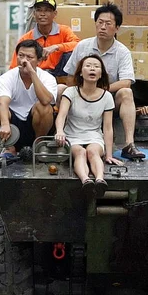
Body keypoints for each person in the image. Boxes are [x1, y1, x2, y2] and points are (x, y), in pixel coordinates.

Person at [63, 3, 145, 160]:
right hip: (81, 98)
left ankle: (129, 145)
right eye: (100, 22)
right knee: (61, 90)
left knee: (126, 93)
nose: (103, 27)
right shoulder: (82, 46)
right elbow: (70, 78)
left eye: (108, 24)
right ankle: (61, 136)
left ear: (117, 28)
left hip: (108, 101)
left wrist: (100, 92)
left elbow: (126, 82)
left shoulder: (122, 51)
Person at [55, 55, 123, 197]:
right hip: (72, 135)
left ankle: (100, 180)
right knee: (80, 152)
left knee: (93, 151)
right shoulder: (70, 92)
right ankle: (85, 180)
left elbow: (108, 127)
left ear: (101, 74)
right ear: (80, 72)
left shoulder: (106, 97)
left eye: (96, 67)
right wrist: (60, 131)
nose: (92, 69)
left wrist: (109, 154)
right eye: (88, 66)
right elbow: (61, 115)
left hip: (94, 135)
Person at [0, 39, 57, 151]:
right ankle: (9, 148)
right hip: (13, 126)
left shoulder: (47, 78)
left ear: (39, 60)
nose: (24, 60)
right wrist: (5, 124)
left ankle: (38, 146)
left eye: (29, 57)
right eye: (21, 56)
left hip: (37, 124)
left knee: (44, 108)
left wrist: (32, 73)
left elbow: (46, 100)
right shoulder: (7, 77)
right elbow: (3, 101)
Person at [10, 0, 80, 79]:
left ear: (55, 14)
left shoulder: (64, 30)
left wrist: (56, 47)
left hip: (59, 73)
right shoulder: (26, 38)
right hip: (35, 75)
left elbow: (78, 44)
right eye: (39, 10)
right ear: (34, 14)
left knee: (70, 54)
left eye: (47, 10)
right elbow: (14, 66)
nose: (42, 14)